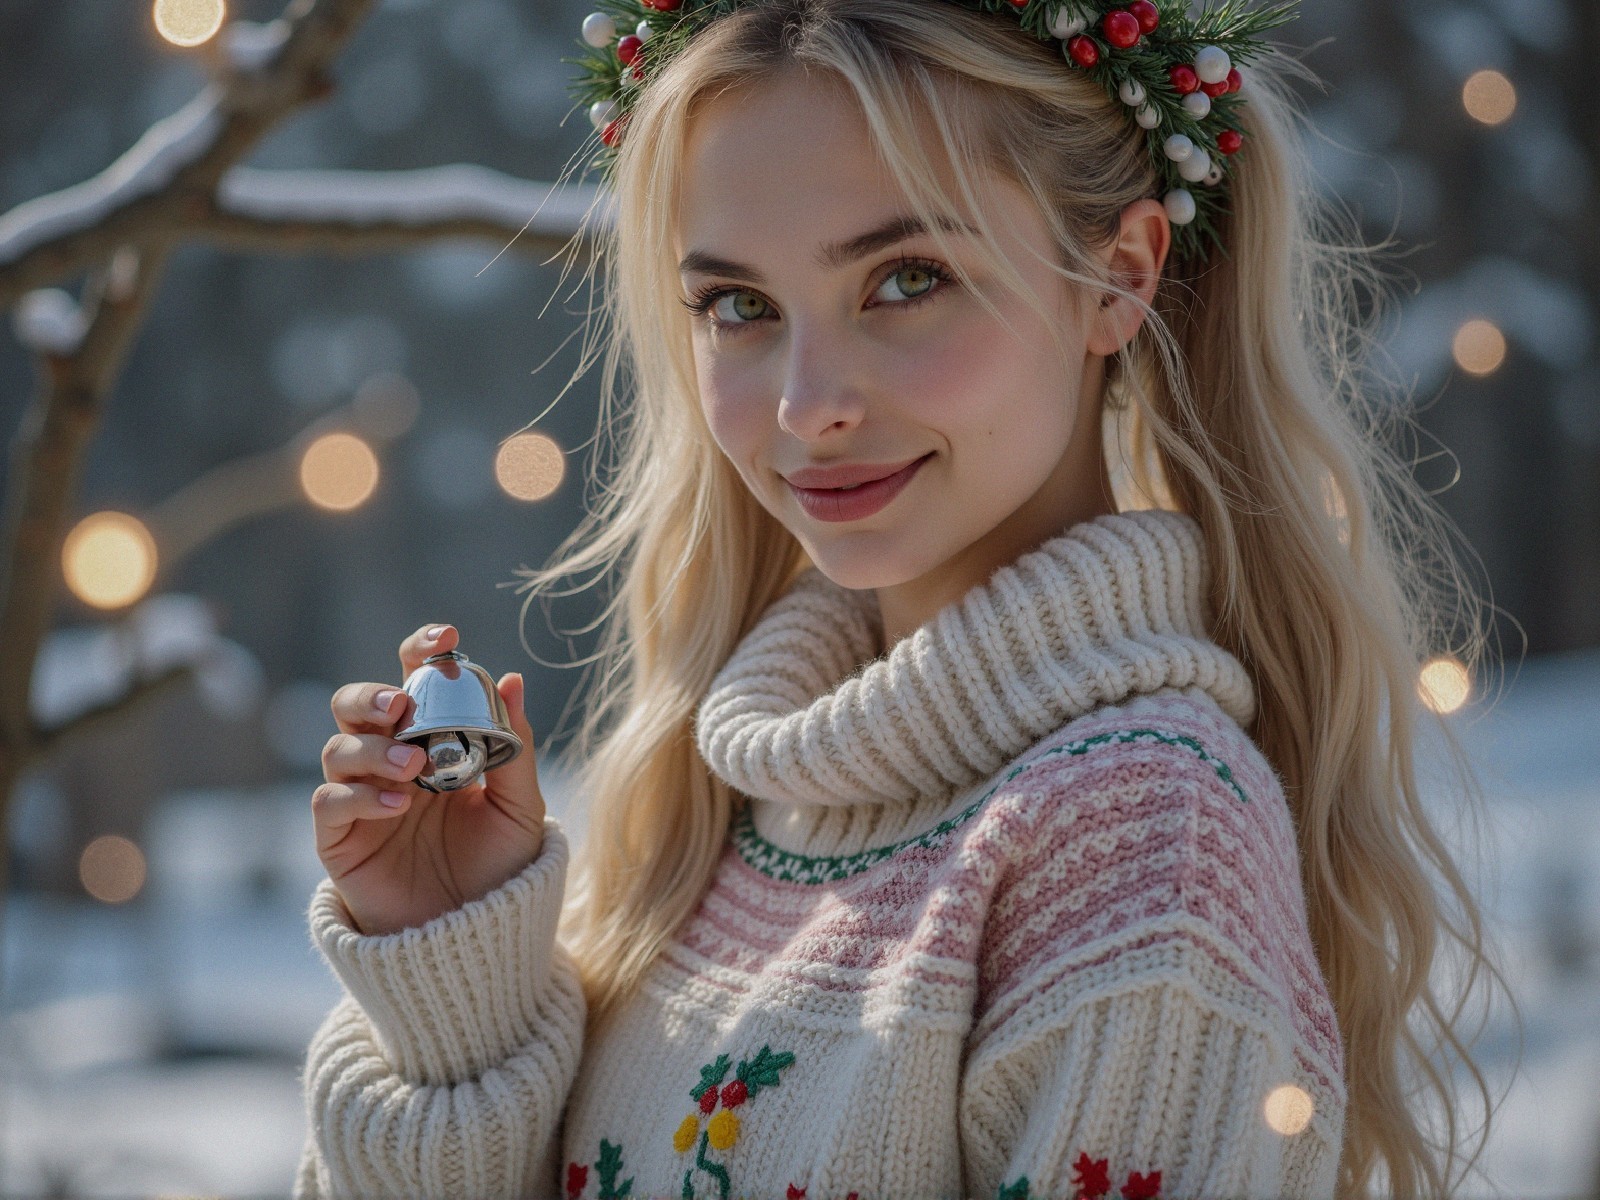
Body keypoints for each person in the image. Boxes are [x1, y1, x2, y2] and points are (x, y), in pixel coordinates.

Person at [295, 1, 1517, 1197]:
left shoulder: (1141, 838)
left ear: (1118, 275)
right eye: (738, 306)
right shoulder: (710, 804)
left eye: (906, 278)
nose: (805, 403)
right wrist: (453, 993)